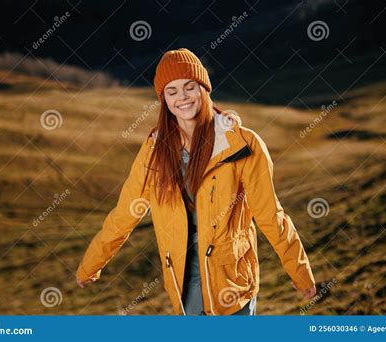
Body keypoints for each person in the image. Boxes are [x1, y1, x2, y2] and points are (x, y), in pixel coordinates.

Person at [76, 48, 316, 315]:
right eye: (172, 91)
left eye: (190, 87)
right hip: (183, 286)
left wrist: (300, 271)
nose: (182, 98)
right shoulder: (155, 151)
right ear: (163, 99)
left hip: (232, 285)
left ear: (204, 88)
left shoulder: (242, 145)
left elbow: (270, 214)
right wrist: (91, 264)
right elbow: (125, 214)